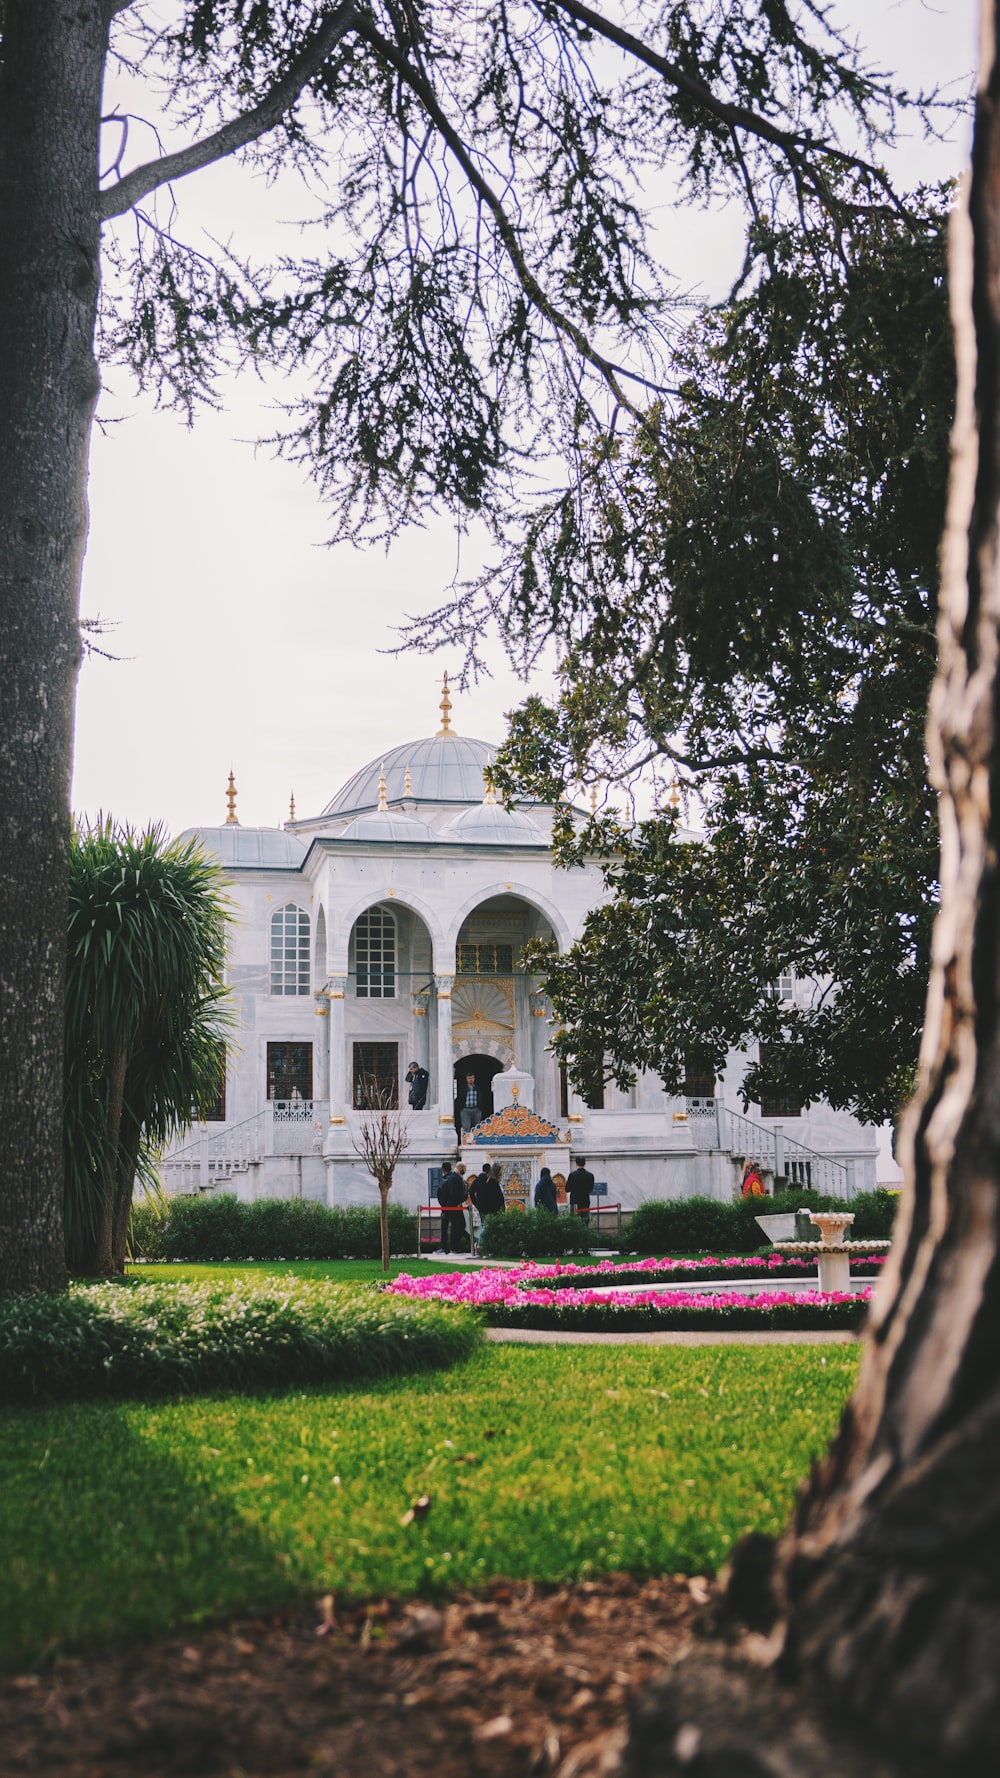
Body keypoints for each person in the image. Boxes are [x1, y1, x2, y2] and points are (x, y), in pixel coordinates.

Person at [436, 1161, 468, 1252]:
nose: (465, 1170)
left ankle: (452, 1247)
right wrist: (464, 1197)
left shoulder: (454, 1178)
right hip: (453, 1206)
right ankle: (454, 1247)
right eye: (464, 1168)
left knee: (457, 1226)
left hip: (451, 1206)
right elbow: (453, 1194)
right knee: (458, 1226)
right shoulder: (455, 1179)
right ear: (460, 1168)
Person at [566, 1156, 595, 1223]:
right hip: (585, 1201)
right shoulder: (590, 1175)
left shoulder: (572, 1175)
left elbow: (567, 1189)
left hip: (575, 1202)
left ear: (576, 1164)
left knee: (575, 1222)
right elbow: (590, 1189)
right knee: (585, 1221)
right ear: (584, 1164)